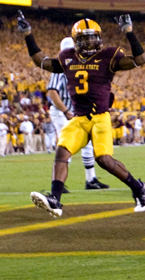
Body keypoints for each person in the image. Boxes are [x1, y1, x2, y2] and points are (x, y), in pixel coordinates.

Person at [17, 12, 145, 217]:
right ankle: (55, 201)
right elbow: (41, 61)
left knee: (104, 159)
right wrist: (28, 35)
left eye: (93, 36)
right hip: (79, 118)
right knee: (62, 152)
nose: (90, 40)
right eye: (85, 37)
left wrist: (129, 33)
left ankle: (138, 187)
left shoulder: (109, 55)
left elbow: (140, 59)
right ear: (77, 39)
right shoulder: (67, 56)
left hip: (100, 117)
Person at [46, 37, 109, 189]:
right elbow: (52, 93)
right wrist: (66, 111)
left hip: (75, 111)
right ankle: (58, 184)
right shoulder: (60, 67)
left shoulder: (78, 66)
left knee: (87, 142)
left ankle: (91, 179)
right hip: (61, 111)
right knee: (66, 144)